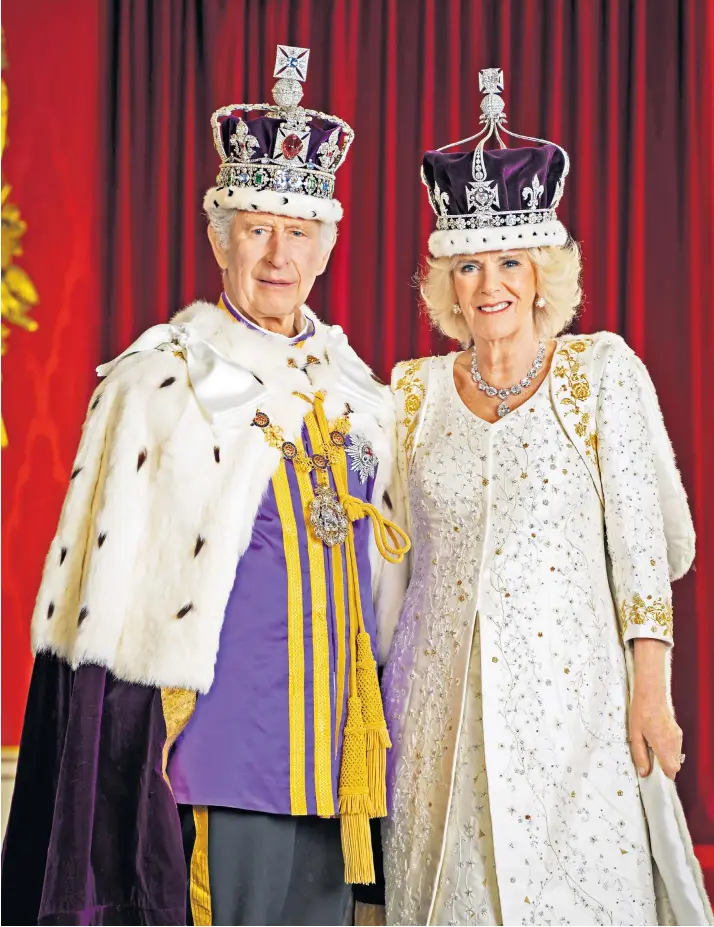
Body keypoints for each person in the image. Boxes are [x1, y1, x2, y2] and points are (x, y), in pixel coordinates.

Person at [1, 45, 409, 926]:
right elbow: (102, 620)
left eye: (297, 231)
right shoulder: (160, 381)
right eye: (255, 227)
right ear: (218, 236)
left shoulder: (361, 395)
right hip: (217, 758)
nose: (276, 254)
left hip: (337, 766)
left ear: (325, 246)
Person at [381, 68, 713, 926]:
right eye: (466, 265)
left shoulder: (600, 373)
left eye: (507, 262)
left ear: (540, 273)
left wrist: (652, 692)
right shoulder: (409, 393)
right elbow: (386, 559)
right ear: (444, 281)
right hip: (434, 715)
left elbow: (644, 551)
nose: (487, 283)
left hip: (576, 714)